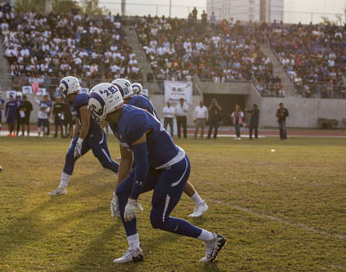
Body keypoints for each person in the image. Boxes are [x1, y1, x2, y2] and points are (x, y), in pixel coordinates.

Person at [88, 83, 226, 264]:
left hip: (173, 167)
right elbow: (127, 160)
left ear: (106, 104)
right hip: (156, 166)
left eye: (94, 107)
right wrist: (118, 193)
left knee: (158, 220)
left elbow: (142, 164)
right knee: (122, 192)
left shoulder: (132, 120)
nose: (93, 112)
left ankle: (212, 238)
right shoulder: (117, 120)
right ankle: (134, 250)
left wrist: (133, 199)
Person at [112, 78, 208, 218]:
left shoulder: (137, 102)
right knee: (168, 175)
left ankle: (132, 199)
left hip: (156, 146)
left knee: (164, 174)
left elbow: (140, 127)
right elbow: (126, 158)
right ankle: (200, 202)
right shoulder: (123, 112)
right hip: (149, 148)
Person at [49, 76, 119, 195]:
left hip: (95, 135)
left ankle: (128, 176)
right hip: (84, 134)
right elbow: (78, 121)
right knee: (70, 156)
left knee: (106, 162)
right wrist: (74, 139)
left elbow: (86, 123)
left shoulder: (81, 99)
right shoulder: (73, 101)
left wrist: (80, 141)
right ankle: (62, 188)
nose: (62, 92)